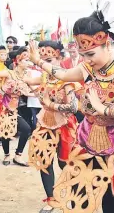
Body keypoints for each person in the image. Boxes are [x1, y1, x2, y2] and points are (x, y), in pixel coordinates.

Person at [28, 8, 114, 213]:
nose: (86, 59)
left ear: (106, 43)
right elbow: (62, 74)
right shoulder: (86, 68)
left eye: (90, 53)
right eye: (82, 54)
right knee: (77, 200)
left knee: (111, 203)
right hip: (85, 143)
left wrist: (105, 110)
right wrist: (37, 61)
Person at [24, 40, 80, 213]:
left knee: (67, 165)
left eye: (49, 60)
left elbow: (73, 107)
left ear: (58, 56)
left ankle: (72, 198)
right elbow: (27, 80)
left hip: (65, 125)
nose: (45, 64)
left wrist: (50, 103)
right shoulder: (43, 77)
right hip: (44, 124)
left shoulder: (67, 77)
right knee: (45, 162)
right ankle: (52, 199)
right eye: (43, 60)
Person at [0, 46, 33, 166]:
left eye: (29, 59)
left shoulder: (27, 75)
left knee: (26, 129)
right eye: (26, 60)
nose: (28, 62)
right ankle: (6, 155)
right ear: (18, 61)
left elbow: (30, 90)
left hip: (18, 108)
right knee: (5, 132)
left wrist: (40, 94)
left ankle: (18, 155)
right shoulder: (9, 73)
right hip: (6, 107)